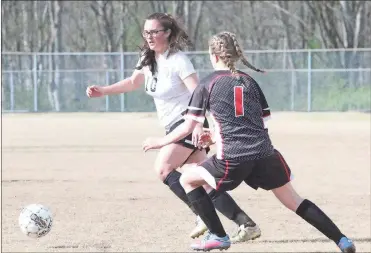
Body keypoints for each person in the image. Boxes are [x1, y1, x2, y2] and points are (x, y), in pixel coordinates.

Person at [142, 31, 356, 253]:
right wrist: (215, 136)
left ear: (213, 55)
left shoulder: (207, 84)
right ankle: (342, 240)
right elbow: (257, 124)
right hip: (266, 155)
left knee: (187, 179)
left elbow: (187, 127)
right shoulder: (250, 82)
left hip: (233, 158)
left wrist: (160, 141)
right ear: (235, 54)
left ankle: (218, 236)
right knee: (295, 201)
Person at [86, 13, 261, 242]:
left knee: (163, 169)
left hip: (188, 123)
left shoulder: (178, 60)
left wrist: (198, 125)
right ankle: (246, 224)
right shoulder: (147, 58)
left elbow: (200, 93)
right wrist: (103, 91)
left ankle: (202, 216)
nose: (149, 36)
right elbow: (132, 82)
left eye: (154, 32)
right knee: (202, 182)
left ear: (167, 33)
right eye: (146, 32)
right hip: (174, 126)